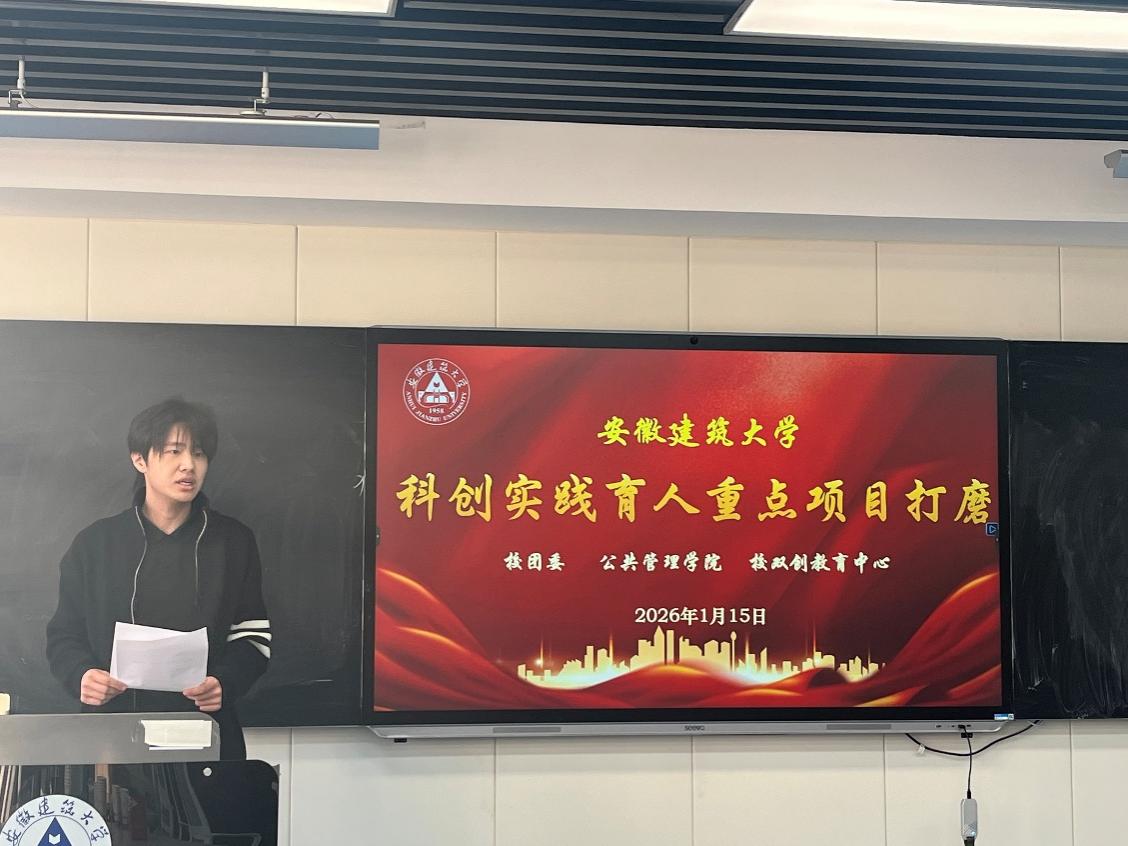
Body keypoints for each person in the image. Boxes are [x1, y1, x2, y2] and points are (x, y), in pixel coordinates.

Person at [46, 398, 270, 759]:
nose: (189, 465)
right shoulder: (96, 544)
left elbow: (252, 636)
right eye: (174, 451)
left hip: (203, 734)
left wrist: (225, 682)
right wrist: (82, 674)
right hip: (111, 735)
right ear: (140, 460)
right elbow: (63, 635)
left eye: (199, 453)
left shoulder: (233, 542)